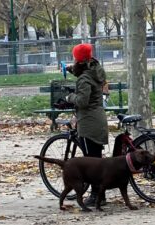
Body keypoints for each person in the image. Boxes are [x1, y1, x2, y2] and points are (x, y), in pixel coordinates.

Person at [66, 43, 109, 206]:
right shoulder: (96, 70)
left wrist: (71, 97)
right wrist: (74, 69)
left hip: (88, 122)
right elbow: (86, 77)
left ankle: (96, 196)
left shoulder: (84, 78)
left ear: (78, 60)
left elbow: (83, 101)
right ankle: (101, 195)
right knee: (97, 159)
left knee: (92, 164)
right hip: (99, 119)